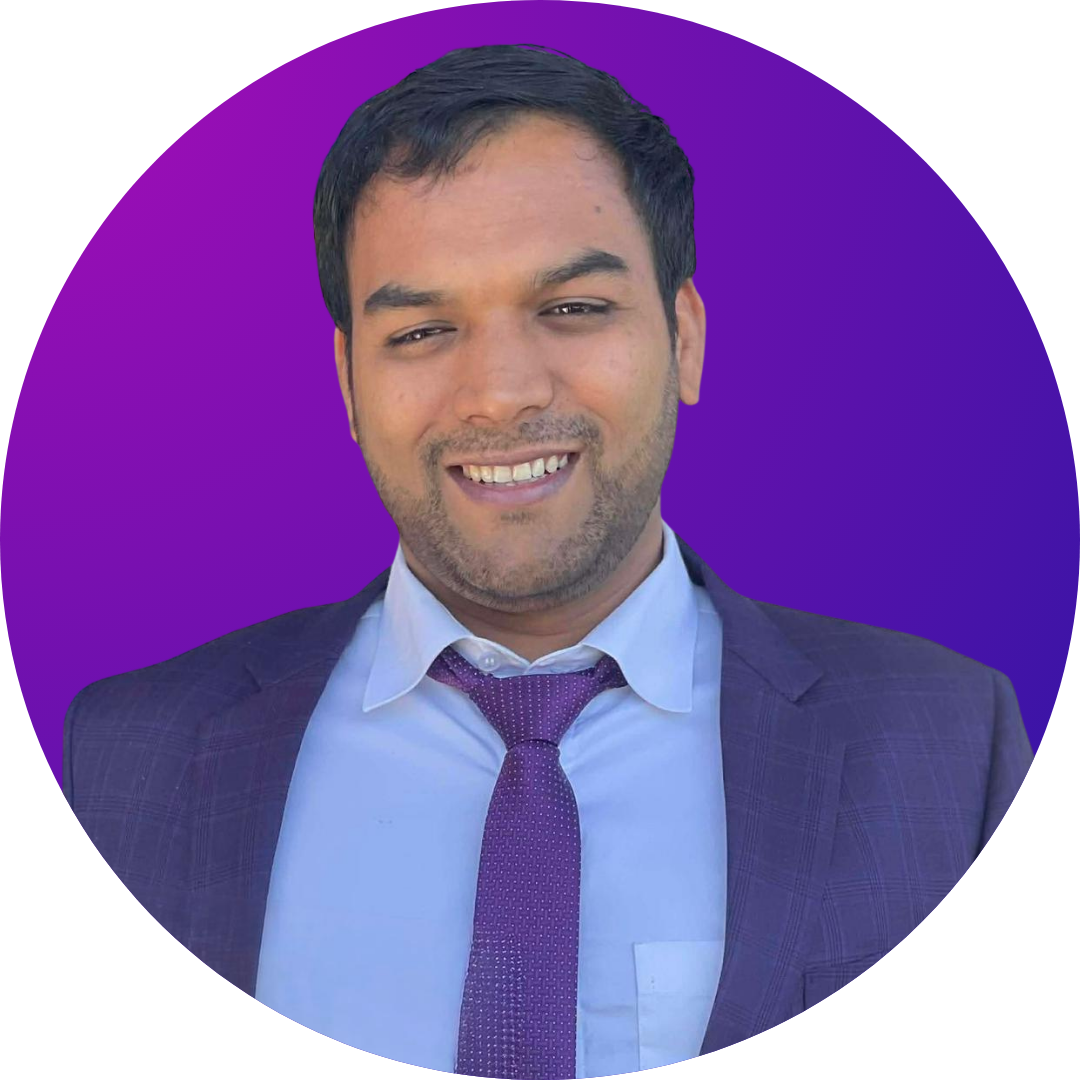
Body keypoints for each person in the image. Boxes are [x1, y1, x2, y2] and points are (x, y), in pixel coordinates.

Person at [62, 44, 1033, 1074]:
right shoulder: (130, 759)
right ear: (347, 383)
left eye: (571, 309)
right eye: (422, 329)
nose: (501, 392)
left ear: (685, 337)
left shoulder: (947, 746)